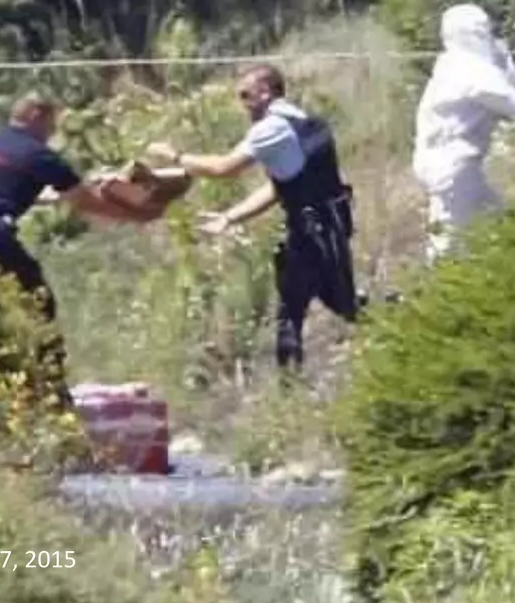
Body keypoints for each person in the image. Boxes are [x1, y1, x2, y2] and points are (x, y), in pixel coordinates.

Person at [146, 65, 360, 375]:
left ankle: (291, 387)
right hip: (324, 227)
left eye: (245, 95)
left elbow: (223, 168)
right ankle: (290, 384)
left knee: (315, 307)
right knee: (306, 305)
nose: (242, 103)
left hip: (313, 230)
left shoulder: (271, 129)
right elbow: (279, 188)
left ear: (265, 92)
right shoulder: (301, 121)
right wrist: (230, 218)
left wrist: (174, 156)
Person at [0, 94, 129, 391]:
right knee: (39, 303)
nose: (52, 131)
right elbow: (84, 202)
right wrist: (132, 213)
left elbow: (5, 184)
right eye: (51, 122)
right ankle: (50, 383)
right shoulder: (38, 154)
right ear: (36, 115)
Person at [411, 4, 515, 262]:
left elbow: (507, 87)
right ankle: (432, 296)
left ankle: (505, 276)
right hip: (454, 169)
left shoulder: (451, 63)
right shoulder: (473, 72)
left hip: (443, 163)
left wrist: (503, 59)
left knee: (499, 223)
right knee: (446, 246)